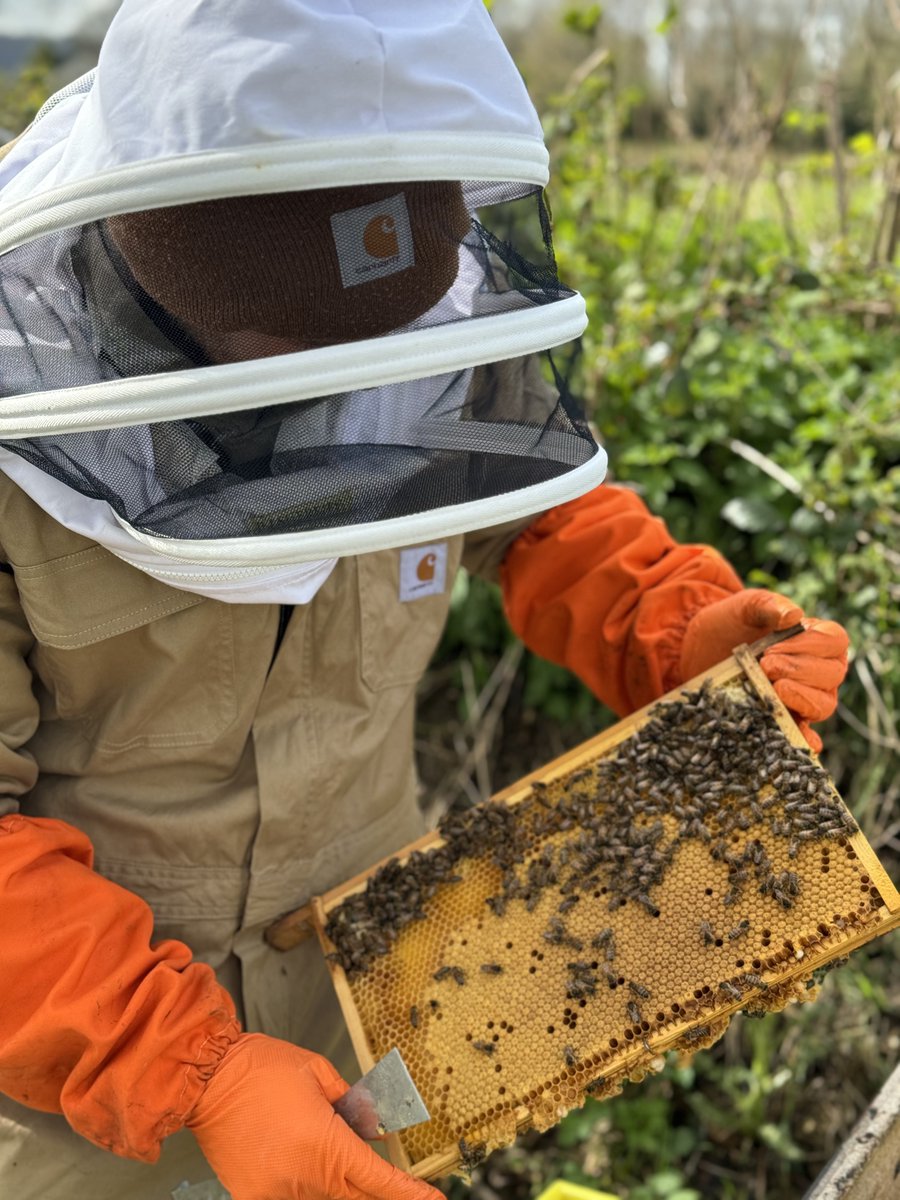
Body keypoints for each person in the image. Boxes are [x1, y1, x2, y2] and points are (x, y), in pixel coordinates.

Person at [0, 3, 849, 1199]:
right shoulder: (20, 399)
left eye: (386, 356)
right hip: (72, 1065)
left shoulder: (434, 321)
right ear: (159, 269)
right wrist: (189, 1068)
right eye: (292, 356)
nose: (353, 406)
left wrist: (667, 619)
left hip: (388, 974)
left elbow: (533, 508)